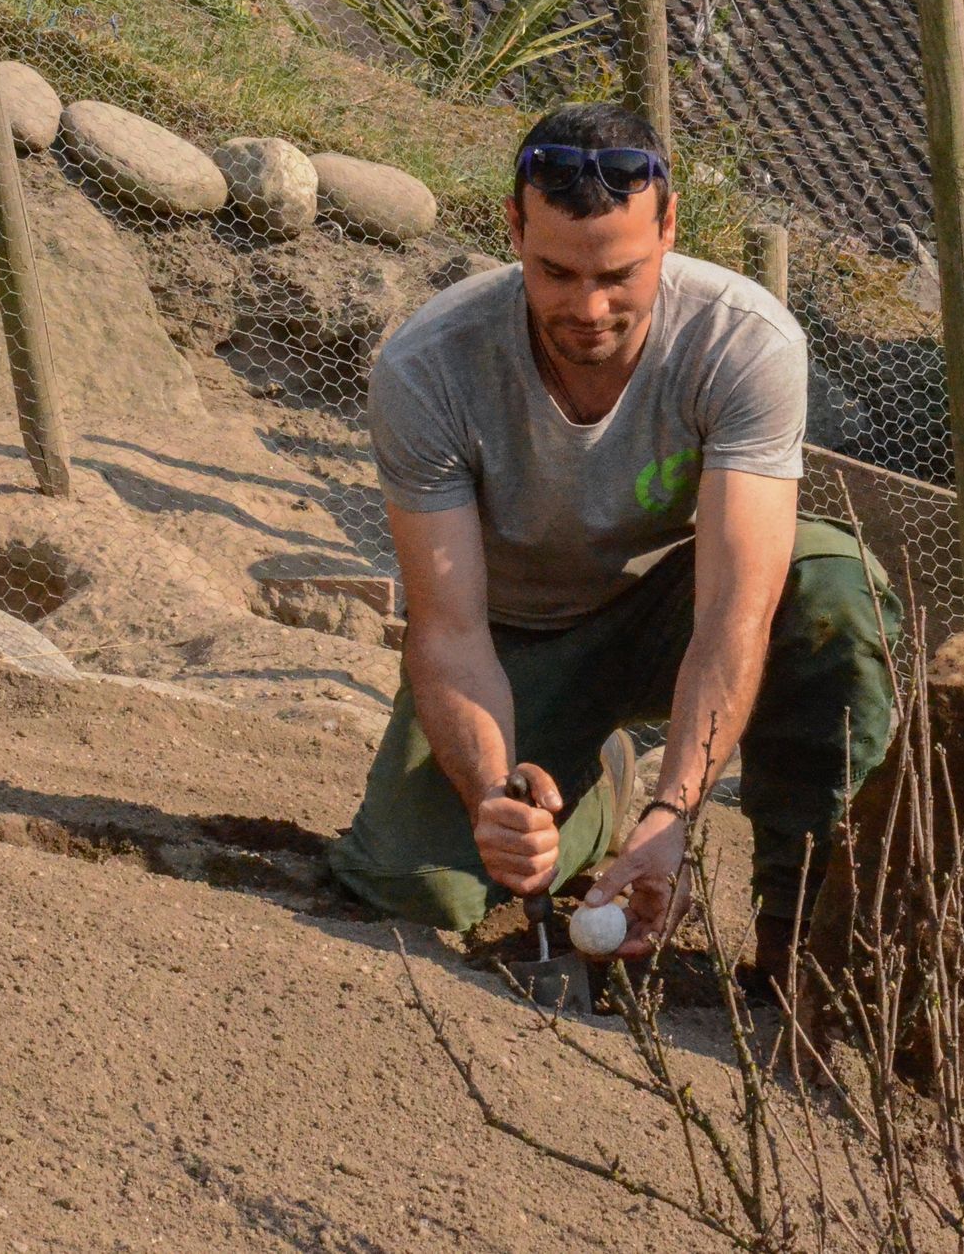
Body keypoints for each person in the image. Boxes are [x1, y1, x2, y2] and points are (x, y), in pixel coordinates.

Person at [326, 102, 903, 981]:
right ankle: (582, 792)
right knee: (416, 884)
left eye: (620, 275)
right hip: (518, 638)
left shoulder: (743, 343)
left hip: (672, 613)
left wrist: (674, 815)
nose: (589, 308)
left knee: (827, 587)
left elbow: (733, 615)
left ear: (669, 228)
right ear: (514, 228)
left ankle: (809, 937)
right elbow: (447, 631)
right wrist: (494, 795)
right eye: (555, 272)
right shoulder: (428, 368)